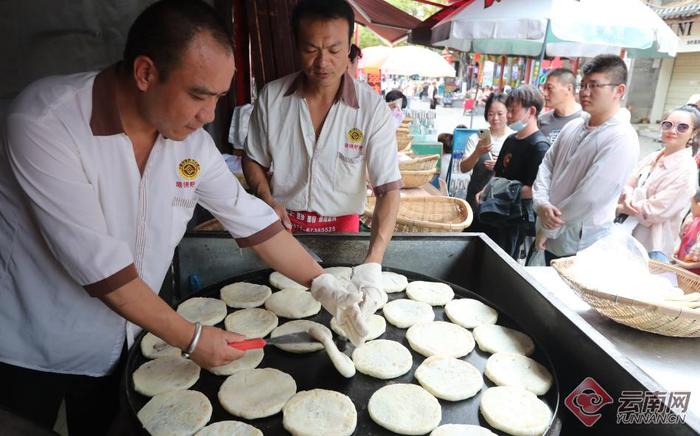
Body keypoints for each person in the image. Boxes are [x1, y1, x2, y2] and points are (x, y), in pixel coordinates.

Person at [0, 1, 368, 434]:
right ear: (145, 73)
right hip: (30, 350)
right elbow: (100, 267)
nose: (209, 115)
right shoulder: (46, 122)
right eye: (198, 94)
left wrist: (323, 283)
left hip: (130, 342)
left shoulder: (187, 143)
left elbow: (251, 219)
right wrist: (192, 339)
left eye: (218, 97)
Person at [243, 0, 401, 323]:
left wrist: (372, 263)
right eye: (311, 49)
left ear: (350, 44)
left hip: (343, 236)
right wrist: (266, 197)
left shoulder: (372, 111)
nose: (322, 62)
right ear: (295, 44)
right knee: (282, 320)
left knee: (342, 322)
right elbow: (253, 160)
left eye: (333, 49)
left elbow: (388, 189)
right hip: (282, 233)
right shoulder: (271, 99)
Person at [533, 54, 640, 265]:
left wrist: (548, 225)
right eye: (583, 85)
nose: (585, 92)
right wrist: (542, 202)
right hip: (551, 226)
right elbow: (547, 164)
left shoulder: (621, 137)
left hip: (581, 241)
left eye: (594, 86)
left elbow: (590, 197)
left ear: (619, 91)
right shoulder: (574, 125)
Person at [617, 105, 699, 262]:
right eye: (668, 124)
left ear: (693, 132)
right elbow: (629, 181)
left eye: (682, 127)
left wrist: (621, 207)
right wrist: (626, 192)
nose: (673, 130)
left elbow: (655, 211)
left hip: (651, 247)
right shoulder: (654, 156)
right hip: (624, 235)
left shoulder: (687, 170)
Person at [477, 85, 550, 259]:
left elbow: (533, 189)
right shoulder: (510, 139)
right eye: (507, 110)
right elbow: (498, 174)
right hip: (495, 211)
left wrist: (497, 194)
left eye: (513, 111)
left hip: (514, 218)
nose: (508, 116)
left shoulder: (539, 146)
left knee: (502, 261)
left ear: (531, 111)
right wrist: (486, 191)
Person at [460, 92, 514, 232]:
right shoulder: (477, 137)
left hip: (501, 202)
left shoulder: (513, 137)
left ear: (508, 113)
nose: (495, 118)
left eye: (500, 113)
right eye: (491, 114)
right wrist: (477, 152)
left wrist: (501, 165)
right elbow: (464, 168)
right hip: (475, 200)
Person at [539, 68, 582, 144]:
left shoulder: (585, 120)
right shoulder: (541, 121)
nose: (545, 93)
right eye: (544, 88)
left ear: (569, 89)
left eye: (550, 88)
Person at [674, 189, 700, 275]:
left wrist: (687, 266)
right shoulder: (694, 221)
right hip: (682, 270)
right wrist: (677, 251)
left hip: (694, 277)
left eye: (692, 205)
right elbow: (686, 242)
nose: (691, 208)